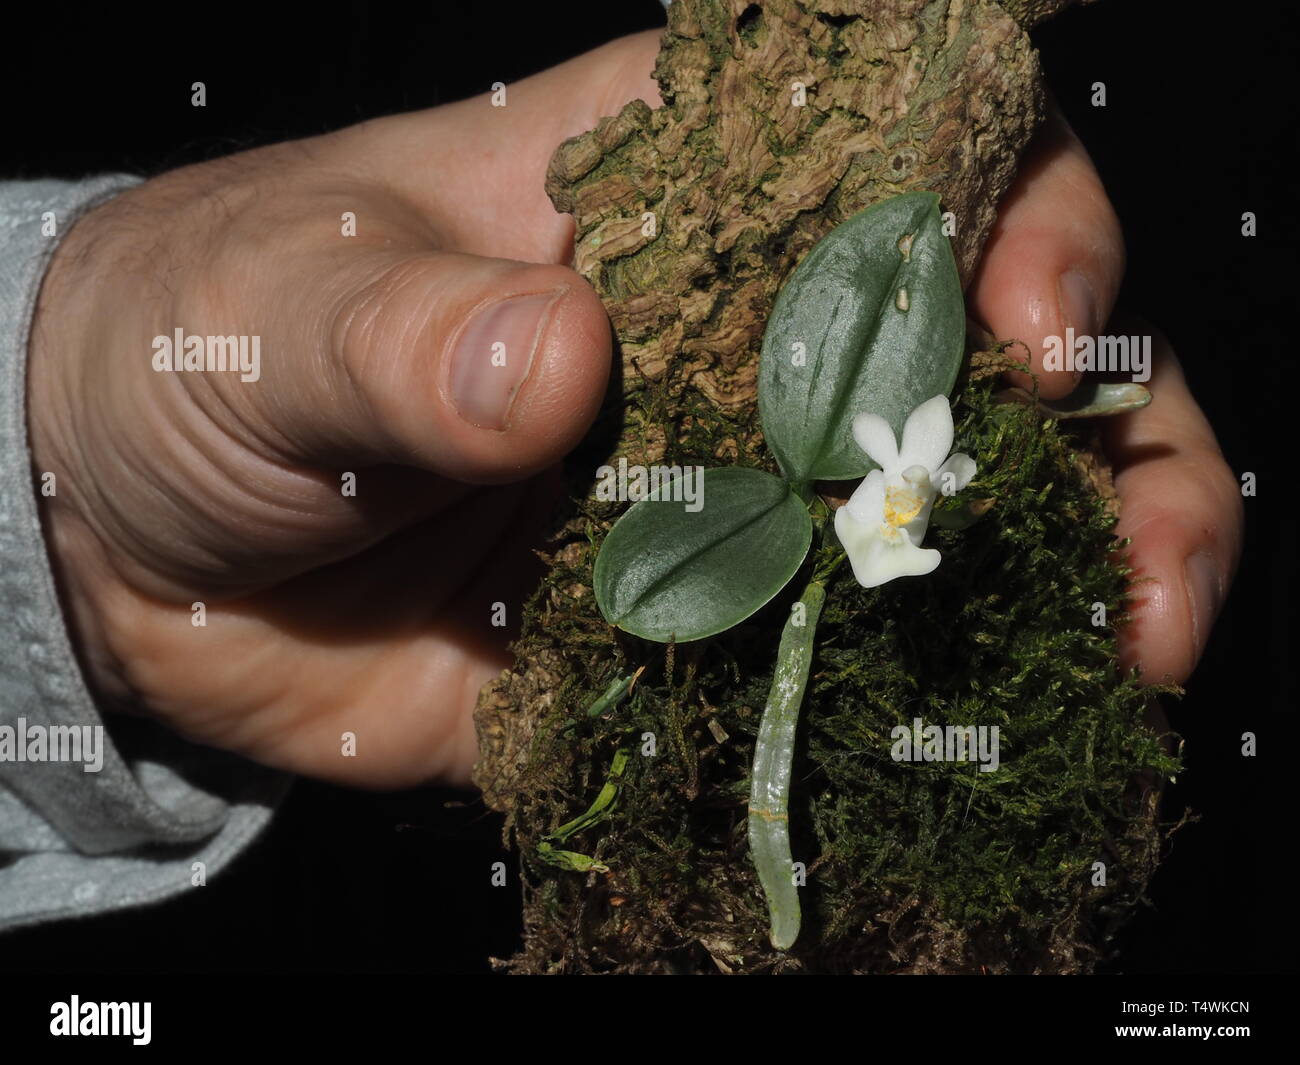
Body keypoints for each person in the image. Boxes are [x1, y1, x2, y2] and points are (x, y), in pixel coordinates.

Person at [0, 29, 1241, 930]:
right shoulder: (805, 480)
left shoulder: (888, 503)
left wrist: (81, 564)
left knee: (1049, 368)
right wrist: (63, 483)